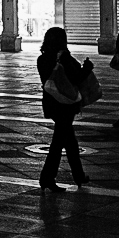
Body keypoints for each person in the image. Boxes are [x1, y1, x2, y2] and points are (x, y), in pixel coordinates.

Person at [36, 27, 92, 192]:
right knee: (58, 143)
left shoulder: (42, 59)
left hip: (52, 103)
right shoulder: (64, 58)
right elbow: (76, 78)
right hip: (65, 105)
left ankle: (79, 175)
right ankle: (47, 177)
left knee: (70, 141)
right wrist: (87, 68)